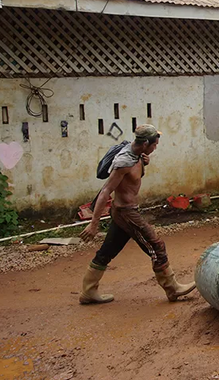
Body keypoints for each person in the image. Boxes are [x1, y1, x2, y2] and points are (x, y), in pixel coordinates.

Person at [78, 125, 196, 304]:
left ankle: (88, 292)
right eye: (154, 145)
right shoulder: (123, 162)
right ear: (145, 143)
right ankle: (172, 288)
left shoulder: (137, 155)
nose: (155, 148)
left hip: (123, 212)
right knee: (156, 246)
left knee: (107, 251)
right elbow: (106, 191)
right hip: (126, 213)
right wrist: (94, 223)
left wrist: (144, 163)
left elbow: (133, 180)